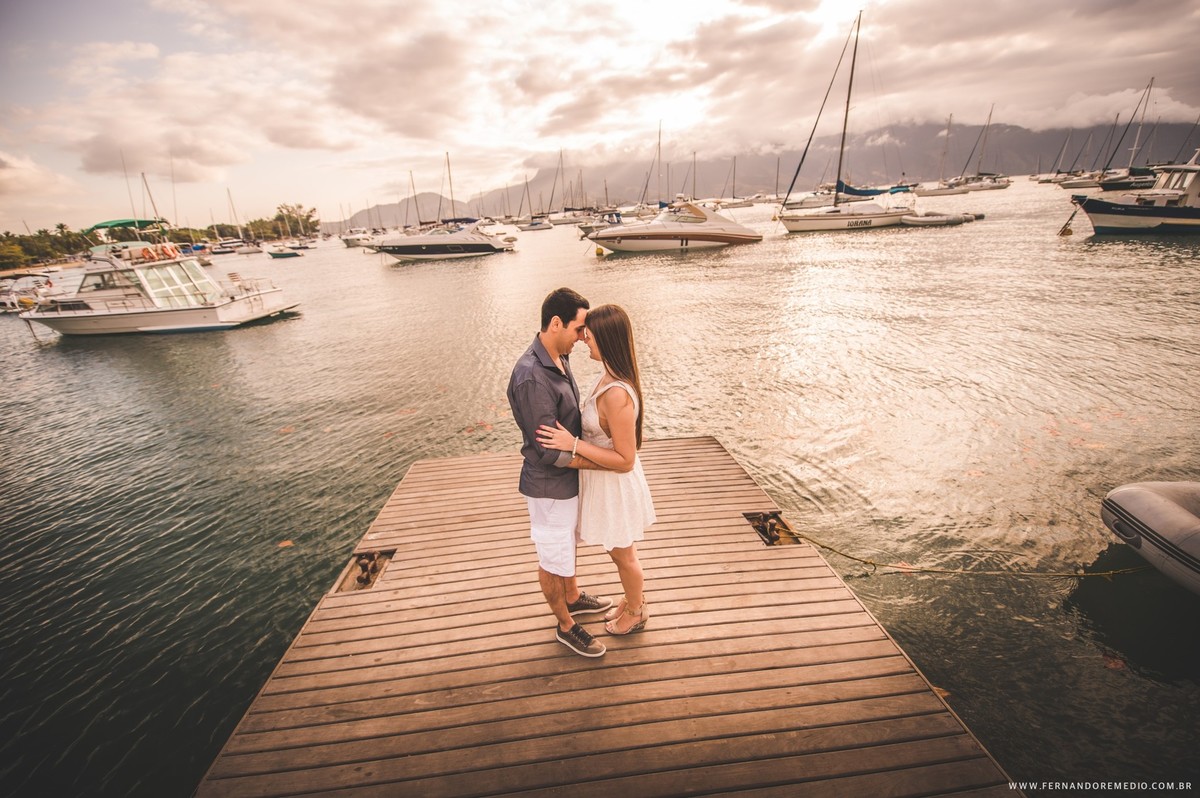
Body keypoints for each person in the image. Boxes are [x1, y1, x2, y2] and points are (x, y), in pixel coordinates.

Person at [537, 303, 656, 636]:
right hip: (605, 484)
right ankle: (635, 600)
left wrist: (572, 445)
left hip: (615, 485)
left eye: (590, 337)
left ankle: (637, 611)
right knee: (618, 551)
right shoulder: (609, 376)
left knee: (623, 556)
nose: (584, 340)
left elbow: (625, 459)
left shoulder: (617, 394)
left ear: (608, 340)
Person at [507, 287, 613, 658]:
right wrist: (598, 460)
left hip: (567, 482)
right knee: (552, 558)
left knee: (565, 546)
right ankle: (565, 625)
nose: (584, 336)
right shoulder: (533, 377)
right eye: (579, 328)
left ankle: (572, 595)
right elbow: (550, 452)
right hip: (550, 486)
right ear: (556, 323)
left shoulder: (558, 357)